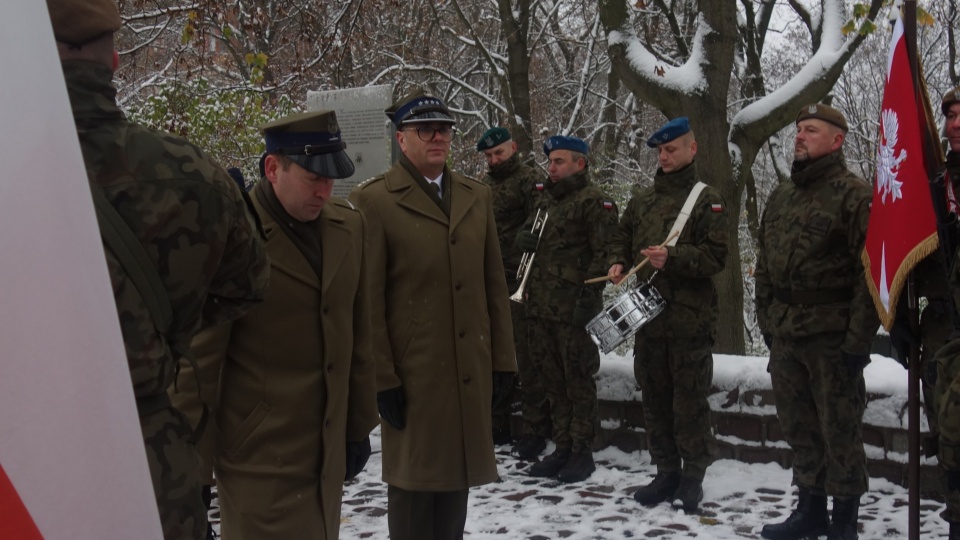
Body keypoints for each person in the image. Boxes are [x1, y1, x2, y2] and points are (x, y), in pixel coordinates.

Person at [48, 0, 270, 537]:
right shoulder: (193, 173)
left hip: (26, 465)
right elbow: (247, 286)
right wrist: (161, 329)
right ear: (116, 60)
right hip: (149, 463)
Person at [170, 110, 378, 539]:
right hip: (259, 461)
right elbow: (199, 365)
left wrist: (357, 426)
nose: (325, 190)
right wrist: (191, 470)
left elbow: (356, 336)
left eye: (331, 178)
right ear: (272, 168)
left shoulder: (348, 227)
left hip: (324, 457)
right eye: (312, 177)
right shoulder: (233, 237)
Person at [349, 89, 517, 540]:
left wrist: (502, 360)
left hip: (467, 370)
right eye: (426, 130)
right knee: (415, 494)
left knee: (455, 492)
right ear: (401, 139)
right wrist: (381, 378)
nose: (438, 137)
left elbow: (493, 287)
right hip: (414, 376)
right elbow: (368, 300)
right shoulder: (376, 202)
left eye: (444, 129)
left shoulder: (475, 196)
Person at [754, 104, 878, 540]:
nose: (800, 137)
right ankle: (810, 509)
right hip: (786, 335)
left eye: (810, 130)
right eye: (798, 130)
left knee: (840, 430)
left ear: (837, 139)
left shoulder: (854, 195)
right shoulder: (782, 195)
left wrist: (857, 341)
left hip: (832, 336)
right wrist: (766, 319)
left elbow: (870, 274)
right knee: (799, 428)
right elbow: (764, 263)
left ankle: (844, 520)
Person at [606, 117, 728, 512]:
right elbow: (621, 235)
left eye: (671, 149)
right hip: (649, 320)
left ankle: (692, 475)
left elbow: (715, 256)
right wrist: (617, 261)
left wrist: (671, 258)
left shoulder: (707, 199)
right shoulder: (643, 200)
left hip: (688, 322)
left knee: (689, 401)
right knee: (655, 398)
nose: (664, 156)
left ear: (692, 149)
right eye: (660, 150)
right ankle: (665, 470)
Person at [517, 134, 619, 483]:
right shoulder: (546, 202)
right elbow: (538, 250)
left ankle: (581, 451)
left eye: (560, 161)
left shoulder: (595, 202)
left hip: (574, 310)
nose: (552, 168)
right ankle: (562, 447)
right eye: (551, 162)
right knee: (553, 384)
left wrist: (588, 303)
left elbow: (604, 255)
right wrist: (523, 240)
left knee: (577, 382)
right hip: (541, 308)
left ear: (580, 163)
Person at [476, 127, 552, 458]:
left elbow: (541, 220)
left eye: (499, 153)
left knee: (525, 355)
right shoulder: (483, 187)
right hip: (488, 280)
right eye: (490, 156)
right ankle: (496, 424)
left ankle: (535, 429)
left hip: (522, 281)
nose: (494, 160)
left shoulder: (531, 180)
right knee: (493, 356)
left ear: (514, 148)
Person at [934, 85, 960, 540]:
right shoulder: (938, 181)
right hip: (948, 329)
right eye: (950, 116)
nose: (955, 123)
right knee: (951, 438)